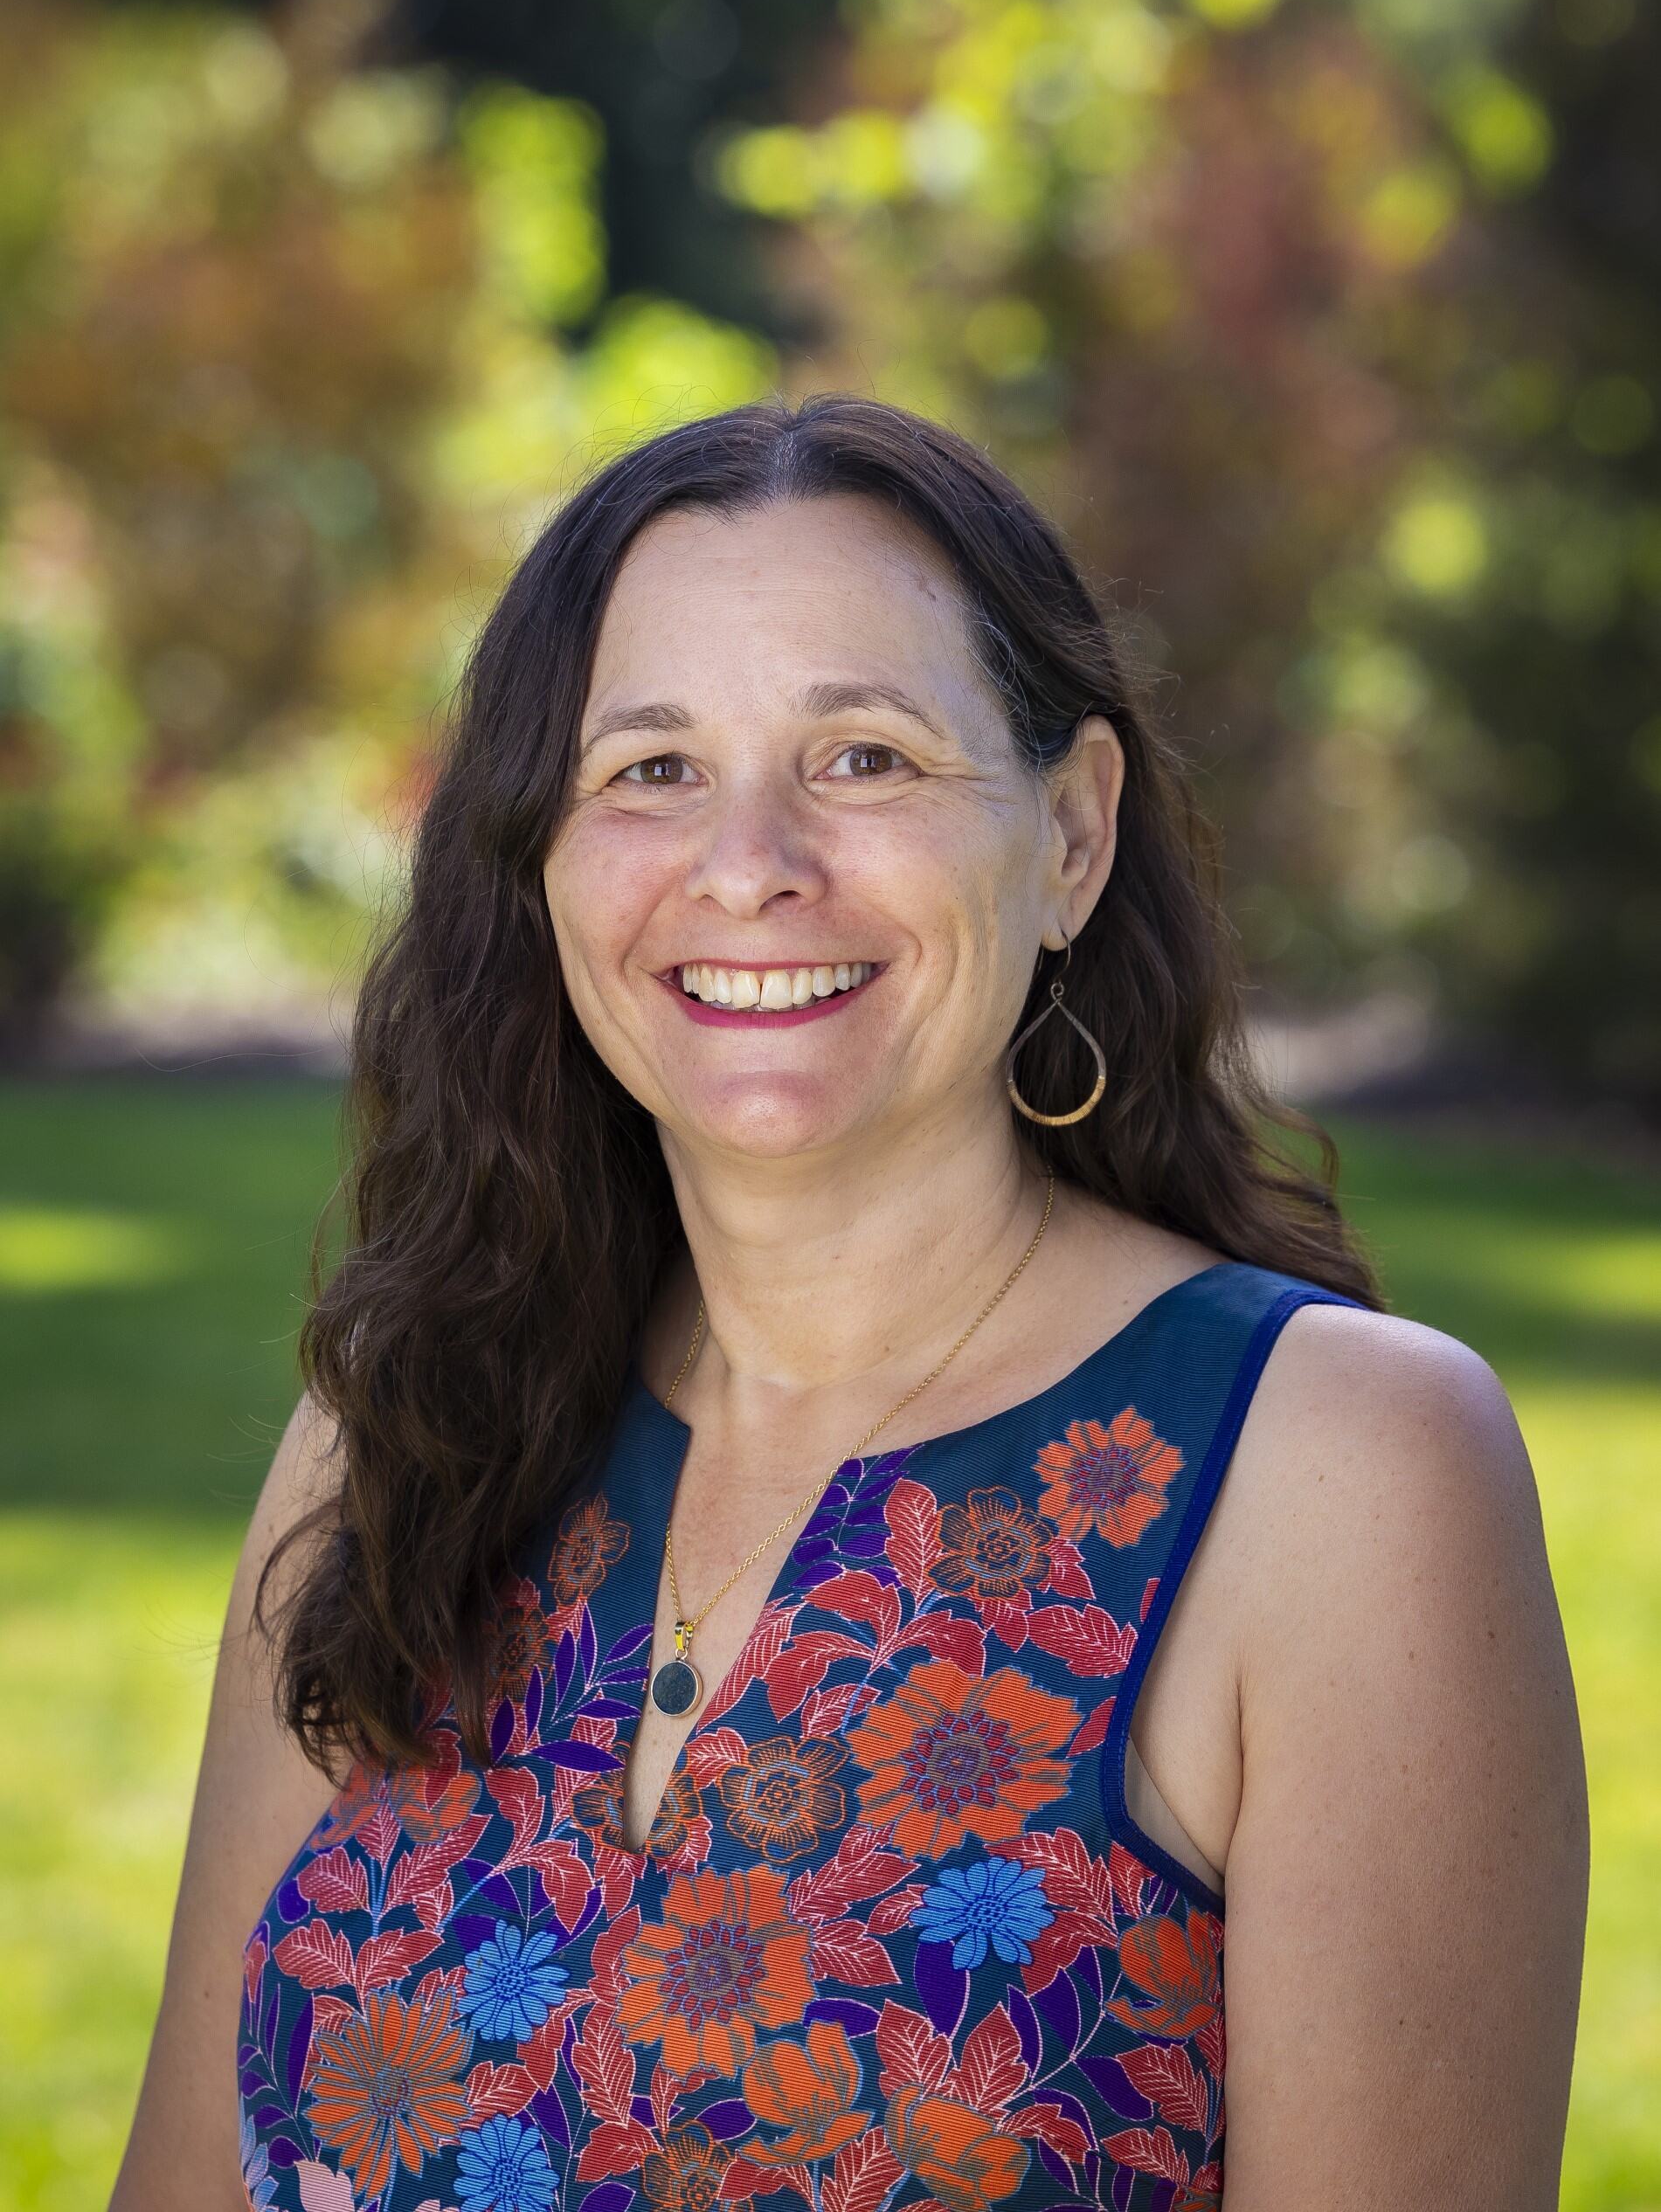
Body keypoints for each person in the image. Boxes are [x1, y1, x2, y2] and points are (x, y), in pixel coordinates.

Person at [110, 394, 1588, 2212]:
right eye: (650, 767)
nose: (748, 861)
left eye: (866, 756)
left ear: (1070, 836)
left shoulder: (1341, 1472)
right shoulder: (405, 1430)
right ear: (541, 860)